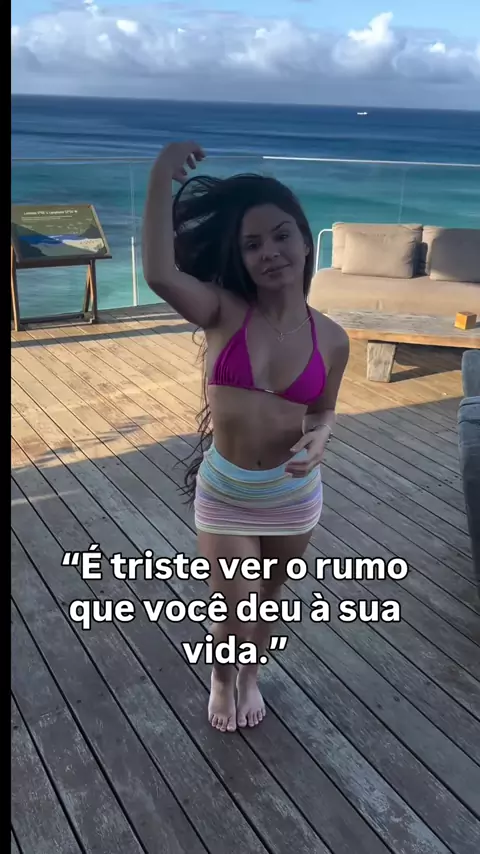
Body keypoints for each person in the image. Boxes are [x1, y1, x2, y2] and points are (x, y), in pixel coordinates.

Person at [142, 141, 349, 734]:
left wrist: (320, 439)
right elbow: (159, 272)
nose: (269, 252)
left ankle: (250, 674)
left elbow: (323, 411)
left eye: (281, 236)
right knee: (235, 605)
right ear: (241, 258)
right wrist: (159, 175)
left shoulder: (332, 339)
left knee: (265, 603)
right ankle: (221, 675)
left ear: (306, 241)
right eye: (252, 245)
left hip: (293, 497)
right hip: (228, 492)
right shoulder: (224, 312)